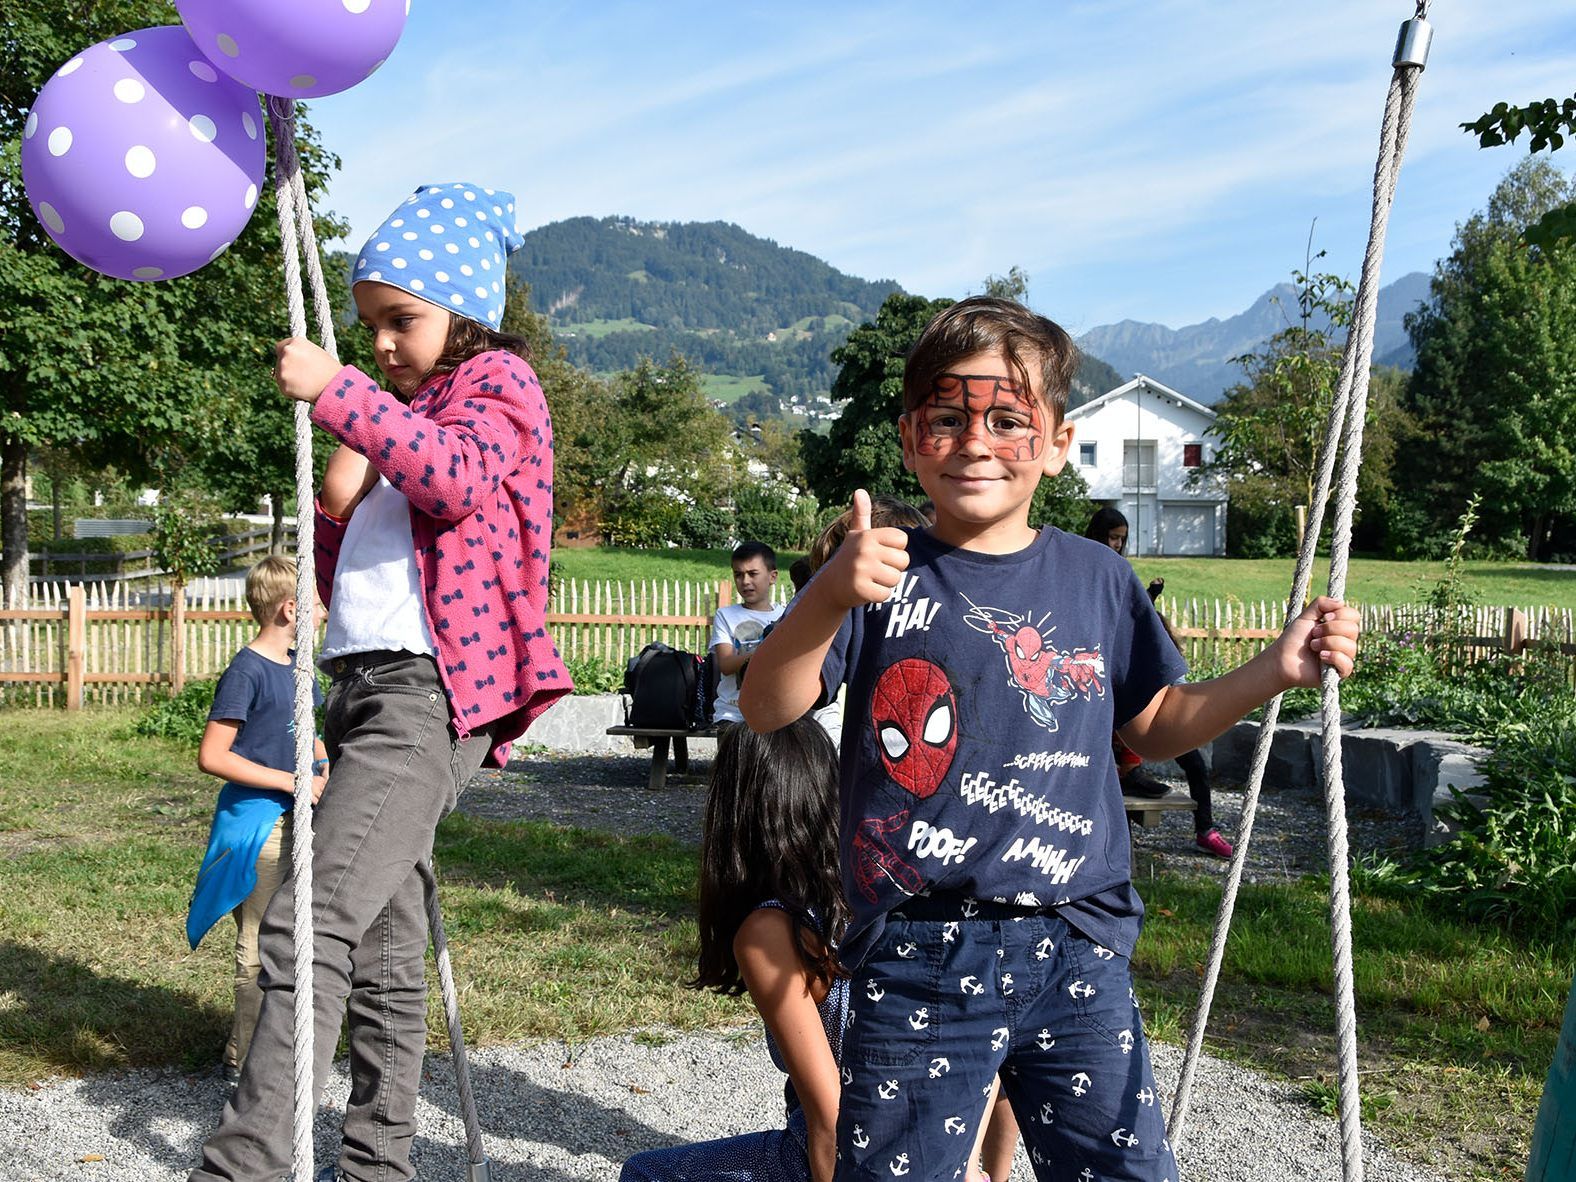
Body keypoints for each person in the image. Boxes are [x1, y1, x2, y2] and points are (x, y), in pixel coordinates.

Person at [740, 296, 1359, 1182]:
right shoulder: (878, 572)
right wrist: (829, 594)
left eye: (1007, 420)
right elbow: (767, 705)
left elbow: (1153, 725)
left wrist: (1274, 671)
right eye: (947, 419)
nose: (976, 443)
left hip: (1077, 939)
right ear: (911, 436)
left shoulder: (1099, 578)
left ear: (1058, 442)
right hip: (920, 946)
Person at [188, 182, 571, 1182]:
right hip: (359, 692)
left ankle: (245, 1165)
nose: (386, 344)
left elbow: (456, 480)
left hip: (427, 697)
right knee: (389, 957)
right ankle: (378, 1167)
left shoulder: (498, 387)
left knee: (306, 921)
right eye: (371, 327)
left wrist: (341, 394)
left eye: (403, 320)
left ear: (465, 311)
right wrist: (335, 498)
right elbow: (344, 578)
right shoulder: (403, 418)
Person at [186, 556, 328, 1083]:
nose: (324, 613)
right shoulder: (246, 671)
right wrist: (291, 781)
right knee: (259, 948)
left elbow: (307, 733)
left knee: (299, 944)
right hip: (260, 826)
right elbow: (214, 755)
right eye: (316, 605)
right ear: (290, 609)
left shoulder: (300, 669)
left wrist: (323, 763)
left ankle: (258, 1051)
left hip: (303, 820)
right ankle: (247, 1070)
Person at [1084, 508, 1234, 858]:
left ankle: (1206, 828)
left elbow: (1130, 617)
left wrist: (1150, 597)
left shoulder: (1119, 571)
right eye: (1112, 536)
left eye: (1122, 538)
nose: (1117, 544)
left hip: (1140, 696)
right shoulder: (1085, 566)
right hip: (1102, 681)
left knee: (1195, 763)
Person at [710, 541, 785, 725]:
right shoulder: (725, 615)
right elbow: (726, 665)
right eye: (738, 574)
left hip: (773, 714)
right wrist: (765, 650)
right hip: (731, 714)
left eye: (753, 574)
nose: (745, 581)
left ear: (772, 576)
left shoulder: (785, 616)